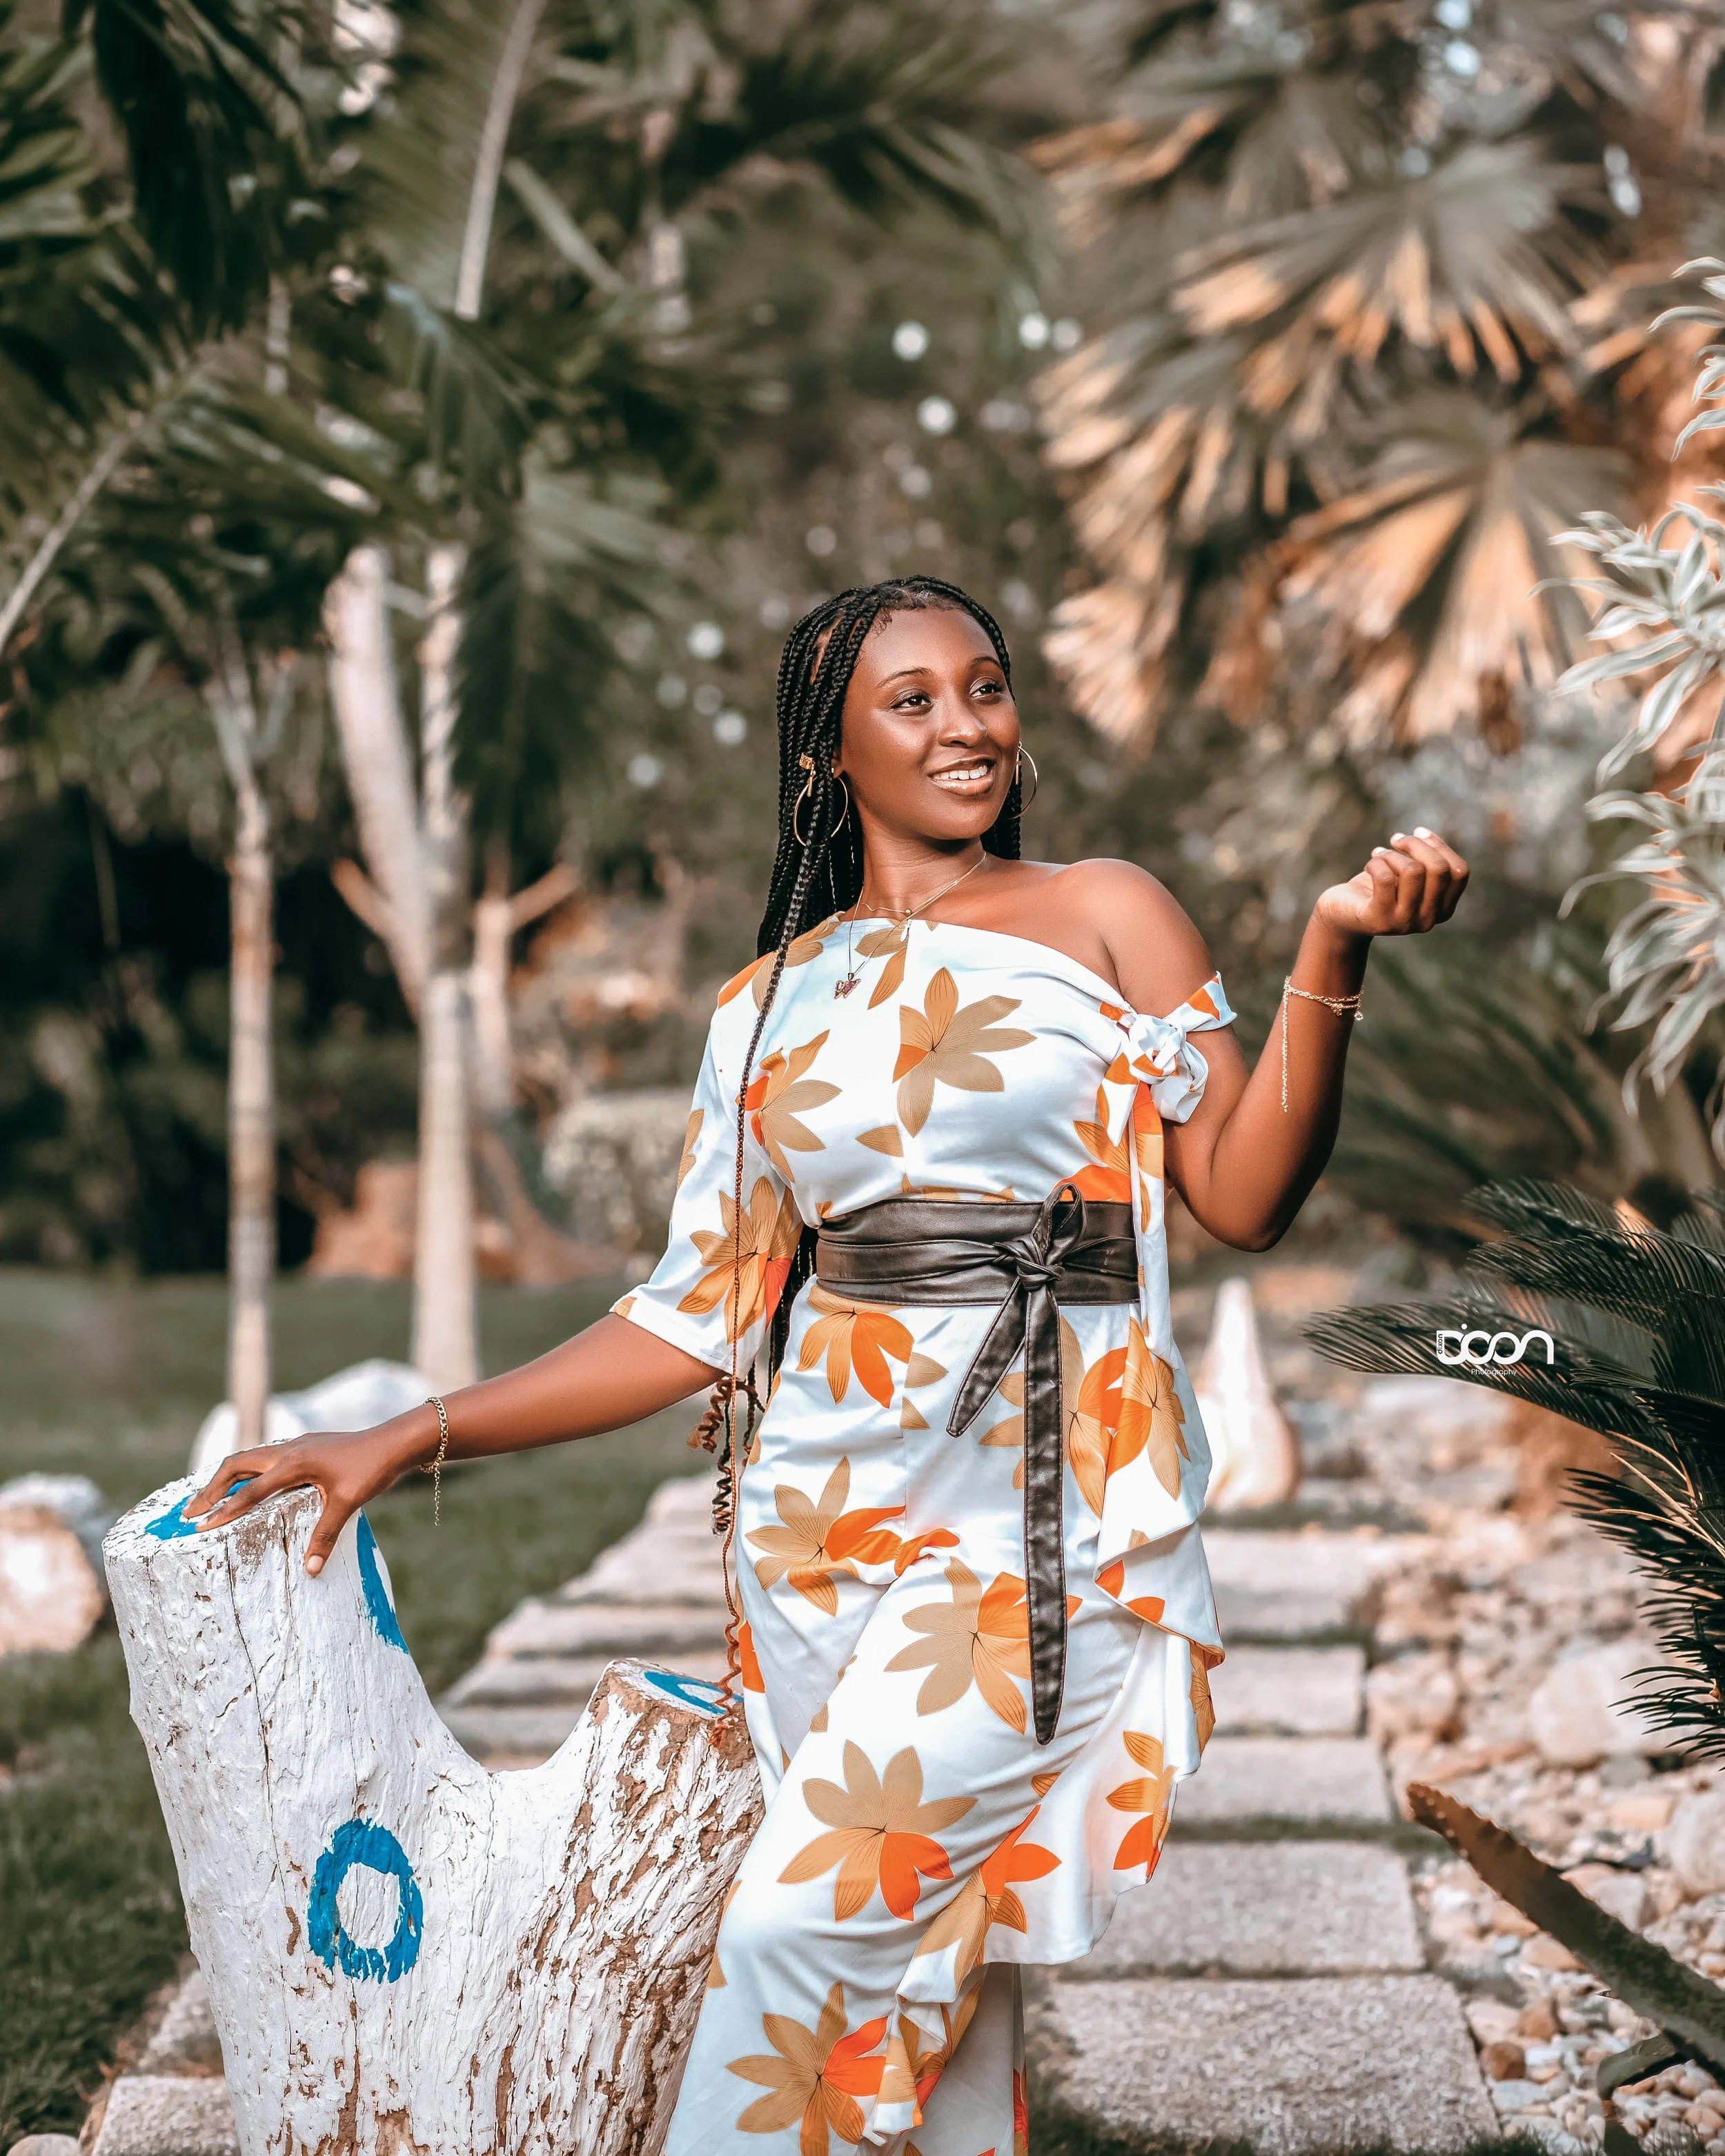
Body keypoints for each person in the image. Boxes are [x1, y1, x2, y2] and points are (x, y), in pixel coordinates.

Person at [187, 575, 1468, 2154]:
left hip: (1031, 1518)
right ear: (828, 755)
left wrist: (1332, 950)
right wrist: (408, 1431)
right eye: (911, 699)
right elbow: (686, 1314)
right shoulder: (768, 1006)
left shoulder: (1104, 908)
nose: (965, 725)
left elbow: (1245, 1190)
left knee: (797, 1937)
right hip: (821, 1530)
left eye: (984, 687)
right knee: (939, 1988)